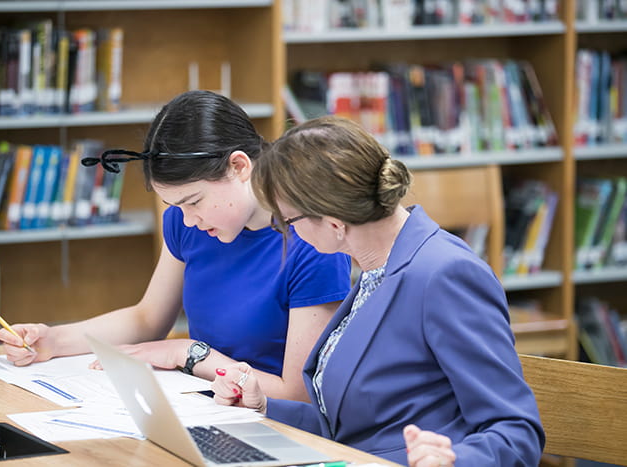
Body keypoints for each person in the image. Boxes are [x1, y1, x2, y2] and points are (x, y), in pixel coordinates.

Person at [212, 116, 545, 466]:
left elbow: (516, 432)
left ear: (334, 224)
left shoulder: (446, 274)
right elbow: (356, 426)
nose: (285, 233)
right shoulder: (376, 269)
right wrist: (265, 408)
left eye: (287, 221)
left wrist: (454, 460)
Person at [0, 91, 351, 402]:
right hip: (203, 404)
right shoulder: (190, 225)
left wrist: (190, 354)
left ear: (239, 166)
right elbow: (147, 319)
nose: (186, 219)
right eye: (175, 206)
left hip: (274, 428)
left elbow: (297, 394)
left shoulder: (312, 242)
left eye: (193, 201)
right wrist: (52, 341)